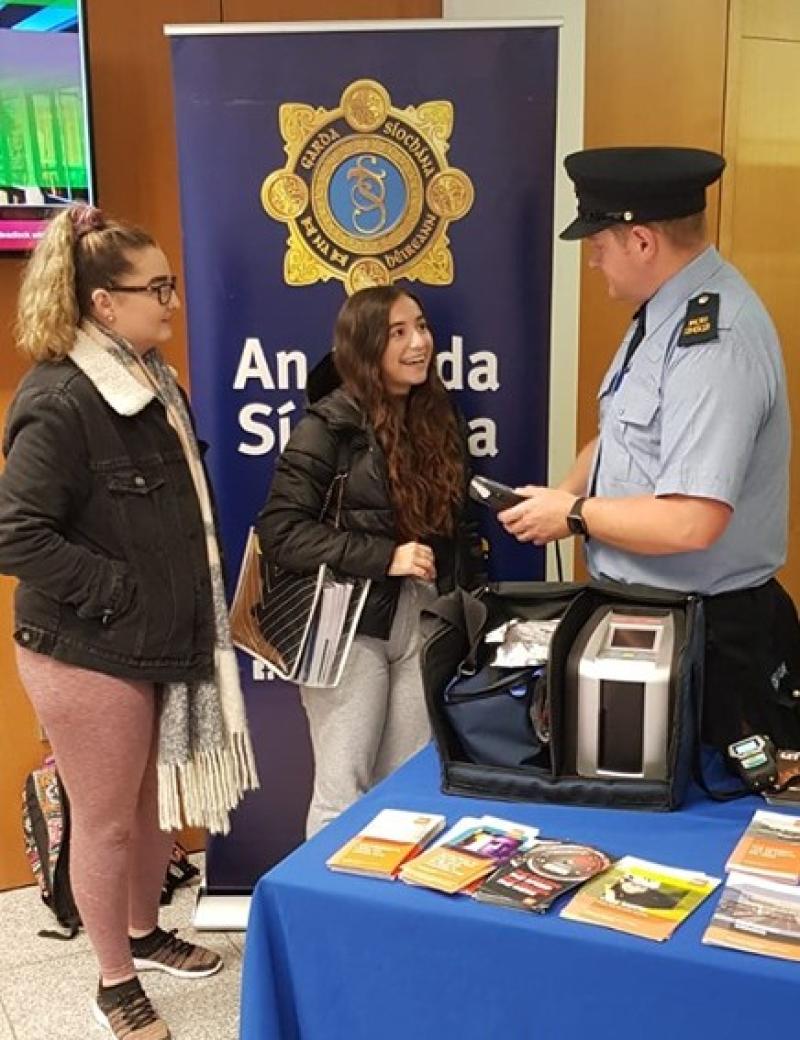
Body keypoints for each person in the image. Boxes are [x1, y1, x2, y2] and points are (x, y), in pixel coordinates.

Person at [0, 205, 258, 1040]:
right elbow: (15, 532)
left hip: (153, 632)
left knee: (150, 804)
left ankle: (145, 934)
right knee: (107, 818)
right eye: (158, 289)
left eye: (171, 285)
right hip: (89, 643)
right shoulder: (61, 397)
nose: (172, 302)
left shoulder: (154, 380)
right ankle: (114, 982)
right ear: (104, 304)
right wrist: (116, 591)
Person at [500, 146, 800, 755]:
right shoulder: (662, 318)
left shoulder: (712, 342)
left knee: (692, 832)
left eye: (599, 243)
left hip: (710, 641)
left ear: (641, 241)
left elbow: (694, 520)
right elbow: (621, 437)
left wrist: (576, 516)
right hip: (657, 618)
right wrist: (565, 494)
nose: (591, 260)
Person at [257, 285, 484, 836]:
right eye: (398, 333)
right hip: (347, 625)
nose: (419, 343)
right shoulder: (326, 426)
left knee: (405, 787)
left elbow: (458, 526)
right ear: (363, 347)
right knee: (343, 792)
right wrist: (387, 557)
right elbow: (281, 533)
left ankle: (384, 913)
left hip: (422, 620)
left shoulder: (439, 416)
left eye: (422, 327)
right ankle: (327, 918)